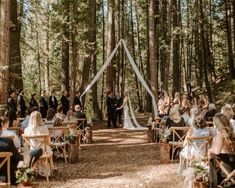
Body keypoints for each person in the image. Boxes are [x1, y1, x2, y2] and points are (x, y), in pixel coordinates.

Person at [0, 119, 42, 185]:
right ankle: (26, 178)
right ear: (1, 128)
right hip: (9, 177)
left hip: (5, 175)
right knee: (37, 151)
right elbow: (18, 159)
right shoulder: (7, 142)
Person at [208, 113, 235, 187]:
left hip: (225, 166)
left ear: (217, 125)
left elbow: (217, 151)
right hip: (232, 164)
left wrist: (210, 150)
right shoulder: (231, 135)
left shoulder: (220, 135)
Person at [24, 111, 54, 177]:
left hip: (32, 151)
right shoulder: (44, 128)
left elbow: (26, 144)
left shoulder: (26, 130)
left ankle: (35, 170)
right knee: (49, 150)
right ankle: (48, 170)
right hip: (43, 150)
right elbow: (48, 142)